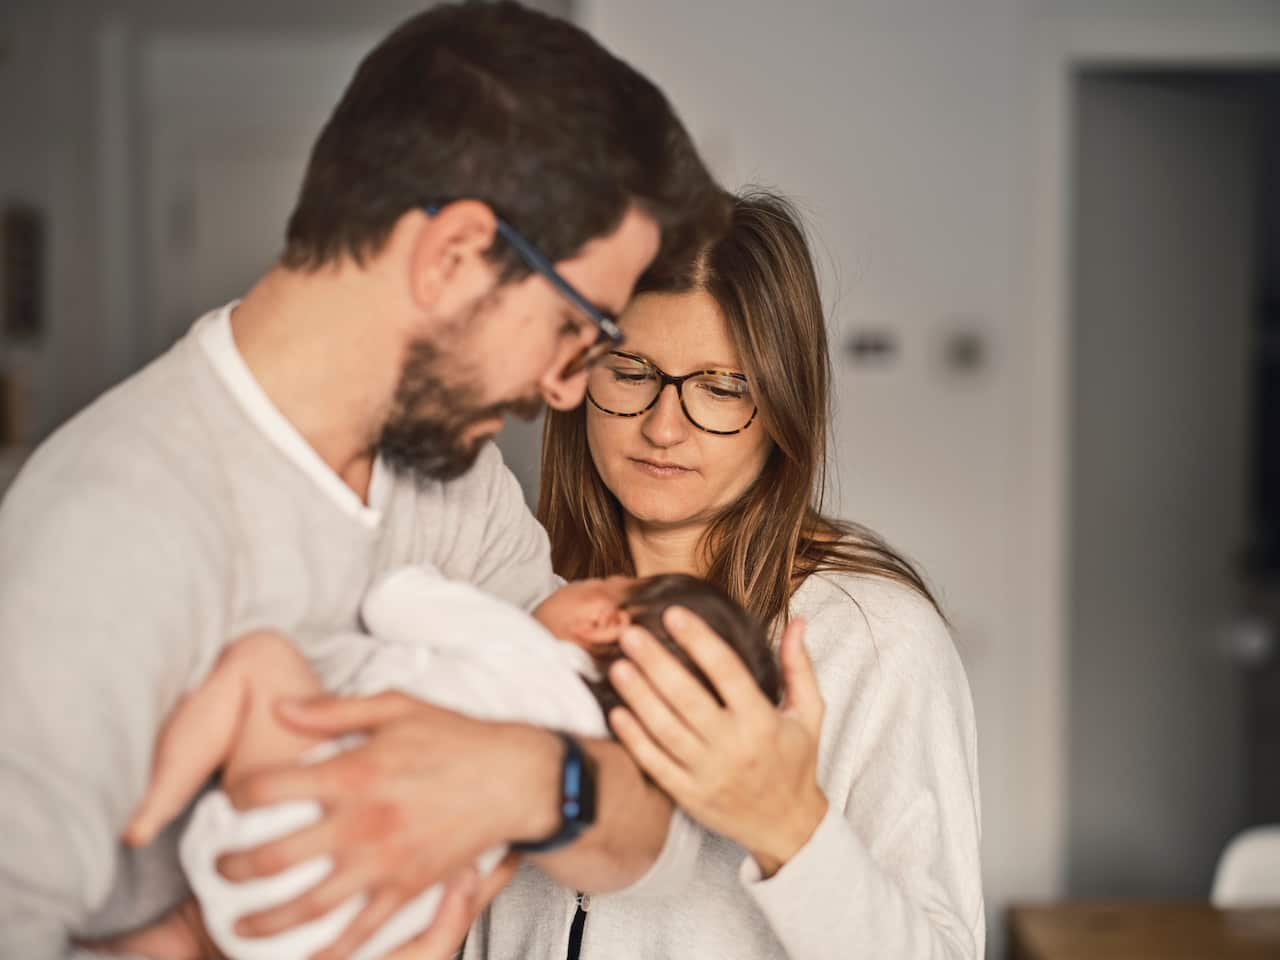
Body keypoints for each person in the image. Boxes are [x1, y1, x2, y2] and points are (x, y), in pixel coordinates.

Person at [0, 3, 730, 957]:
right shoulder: (108, 530)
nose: (563, 391)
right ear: (454, 255)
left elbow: (656, 843)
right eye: (574, 331)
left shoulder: (452, 481)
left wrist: (525, 777)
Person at [467, 190, 985, 958]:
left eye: (721, 387)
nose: (663, 426)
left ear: (783, 407)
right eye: (633, 369)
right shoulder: (510, 598)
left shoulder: (875, 640)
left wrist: (789, 827)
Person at [99, 569, 778, 960]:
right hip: (375, 931)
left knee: (260, 658)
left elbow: (396, 597)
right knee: (198, 938)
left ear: (601, 618)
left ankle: (150, 808)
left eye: (600, 581)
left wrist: (448, 592)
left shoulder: (515, 645)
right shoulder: (594, 753)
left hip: (294, 818)